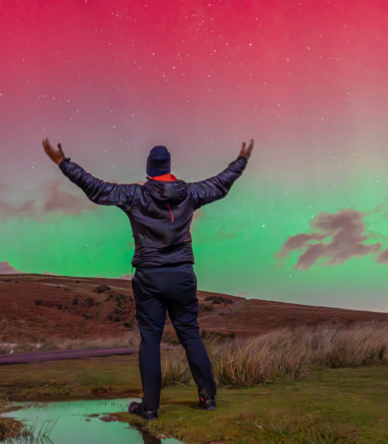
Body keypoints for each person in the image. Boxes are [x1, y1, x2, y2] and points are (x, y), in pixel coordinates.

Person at [42, 137, 254, 420]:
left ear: (149, 171)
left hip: (149, 277)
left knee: (150, 340)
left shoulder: (135, 195)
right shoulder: (190, 193)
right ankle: (208, 397)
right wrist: (241, 160)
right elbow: (220, 183)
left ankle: (150, 407)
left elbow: (95, 188)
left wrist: (63, 163)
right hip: (181, 275)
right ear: (168, 168)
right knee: (190, 333)